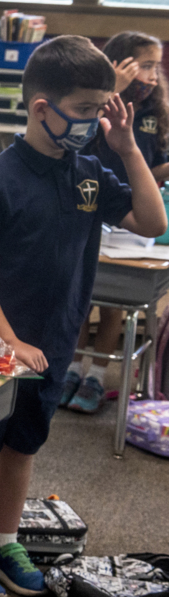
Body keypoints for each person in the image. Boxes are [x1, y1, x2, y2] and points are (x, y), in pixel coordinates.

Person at [0, 36, 167, 597]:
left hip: (54, 339)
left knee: (24, 444)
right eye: (87, 111)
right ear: (43, 108)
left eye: (100, 110)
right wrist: (7, 338)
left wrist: (128, 148)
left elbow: (150, 219)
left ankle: (5, 539)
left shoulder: (88, 171)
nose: (95, 122)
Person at [65, 31, 169, 414]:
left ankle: (96, 376)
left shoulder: (154, 115)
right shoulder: (94, 106)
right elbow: (79, 143)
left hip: (130, 218)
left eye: (156, 67)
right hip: (91, 207)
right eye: (144, 66)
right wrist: (111, 90)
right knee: (82, 298)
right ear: (119, 66)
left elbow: (153, 165)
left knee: (113, 309)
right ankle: (73, 369)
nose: (152, 76)